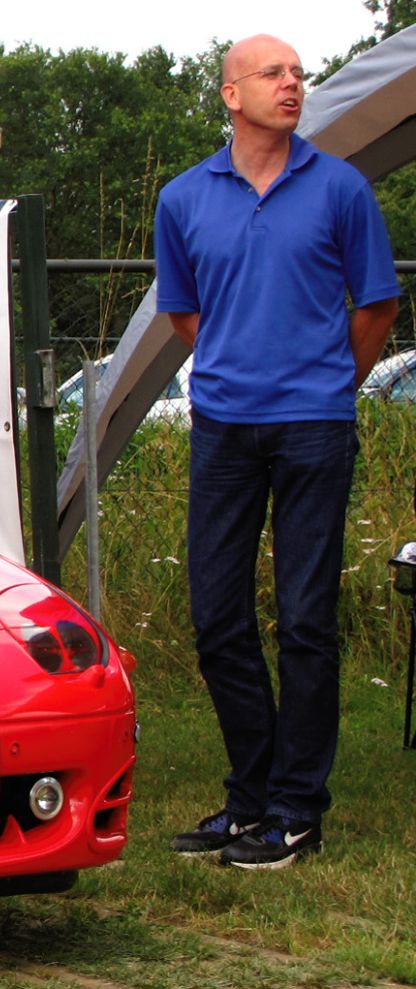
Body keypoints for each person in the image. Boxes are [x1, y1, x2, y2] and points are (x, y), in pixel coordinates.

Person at [157, 34, 400, 869]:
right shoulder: (184, 197)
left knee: (304, 619)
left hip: (314, 428)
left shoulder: (340, 189)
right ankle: (248, 800)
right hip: (223, 426)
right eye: (274, 74)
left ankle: (297, 810)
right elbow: (187, 314)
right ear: (231, 93)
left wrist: (329, 383)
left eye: (299, 75)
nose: (293, 85)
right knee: (217, 618)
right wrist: (237, 367)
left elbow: (376, 304)